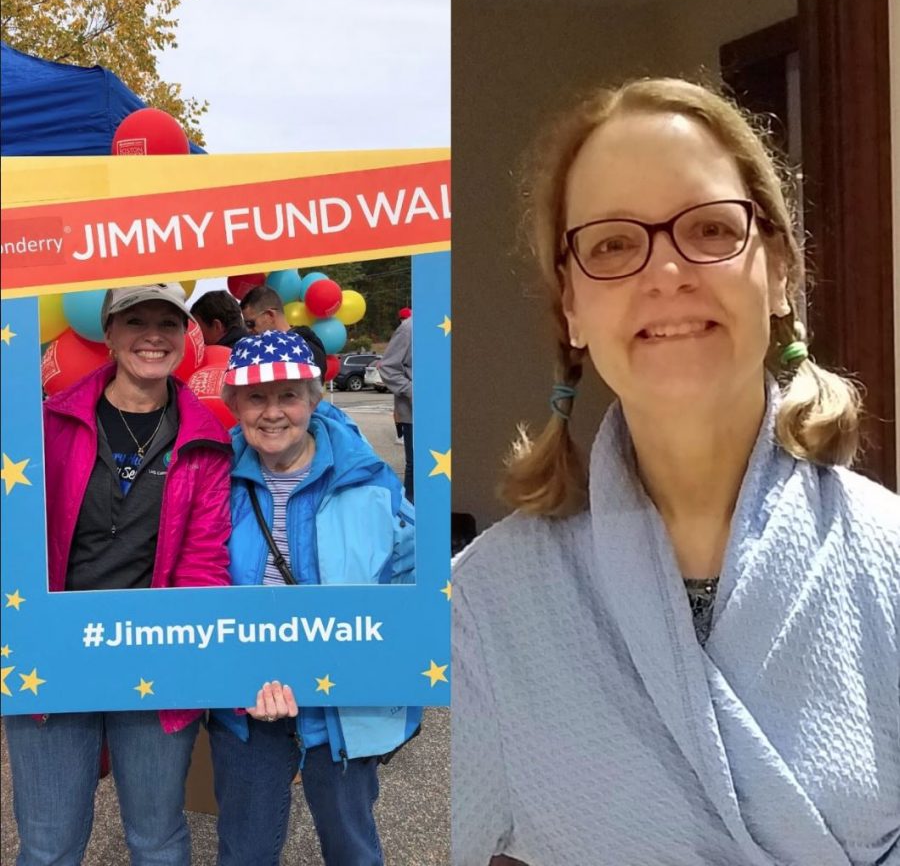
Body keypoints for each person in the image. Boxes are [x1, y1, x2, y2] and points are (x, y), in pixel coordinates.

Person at [451, 78, 900, 866]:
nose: (666, 275)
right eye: (614, 245)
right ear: (571, 308)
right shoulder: (486, 606)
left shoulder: (890, 559)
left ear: (781, 270)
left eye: (710, 228)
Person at [5, 282, 232, 865]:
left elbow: (205, 564)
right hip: (52, 659)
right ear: (108, 335)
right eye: (135, 321)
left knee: (156, 838)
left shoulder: (205, 439)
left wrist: (185, 650)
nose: (152, 335)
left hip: (153, 660)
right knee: (48, 845)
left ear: (188, 336)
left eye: (168, 322)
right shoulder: (45, 426)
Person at [207, 329, 419, 866]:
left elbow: (410, 587)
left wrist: (390, 676)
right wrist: (230, 681)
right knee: (245, 852)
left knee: (352, 848)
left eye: (288, 396)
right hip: (247, 705)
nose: (272, 412)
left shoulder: (370, 481)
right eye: (256, 397)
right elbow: (195, 592)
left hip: (339, 703)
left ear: (313, 398)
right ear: (234, 404)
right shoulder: (211, 480)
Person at [239, 284, 327, 376]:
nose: (248, 330)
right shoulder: (261, 349)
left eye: (250, 323)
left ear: (270, 315)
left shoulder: (307, 349)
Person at [380, 311, 413, 502]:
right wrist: (414, 391)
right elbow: (388, 367)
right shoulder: (409, 328)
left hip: (445, 412)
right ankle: (410, 517)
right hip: (414, 416)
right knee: (417, 467)